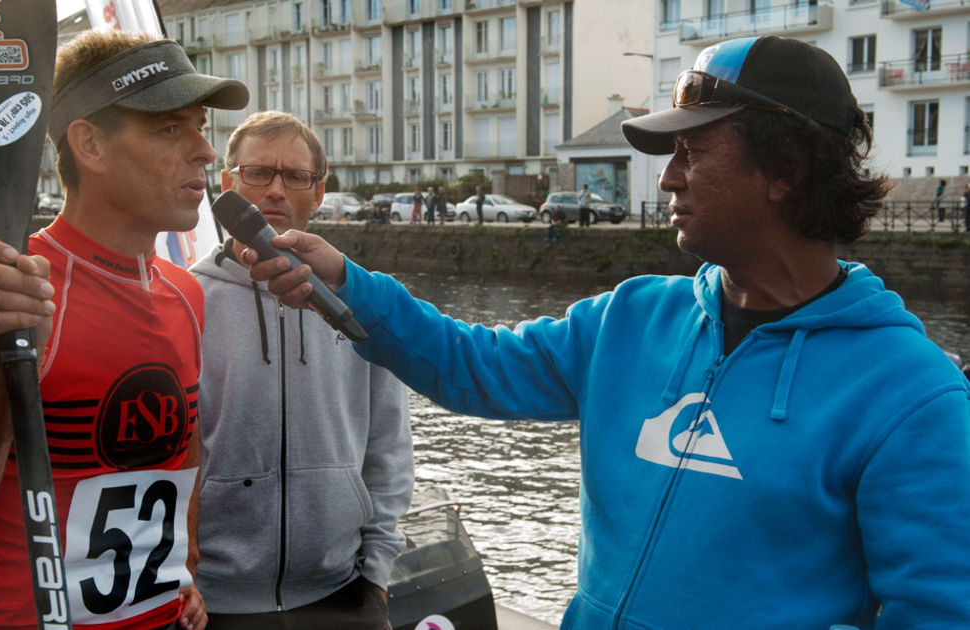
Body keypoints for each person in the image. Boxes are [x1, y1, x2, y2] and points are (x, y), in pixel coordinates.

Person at [244, 36, 970, 628]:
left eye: (692, 153)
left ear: (784, 169)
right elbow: (471, 365)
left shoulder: (910, 395)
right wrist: (348, 284)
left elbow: (937, 613)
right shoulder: (630, 317)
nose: (666, 181)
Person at [0, 30, 249, 630]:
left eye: (200, 126)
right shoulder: (6, 295)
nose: (205, 152)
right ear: (89, 145)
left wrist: (183, 566)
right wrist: (0, 387)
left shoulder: (186, 293)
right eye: (170, 128)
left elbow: (178, 448)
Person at [188, 110, 413, 629]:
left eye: (295, 176)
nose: (274, 191)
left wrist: (376, 575)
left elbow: (389, 448)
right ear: (227, 185)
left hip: (342, 593)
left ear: (318, 192)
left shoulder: (363, 303)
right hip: (212, 601)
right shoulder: (185, 300)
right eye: (258, 173)